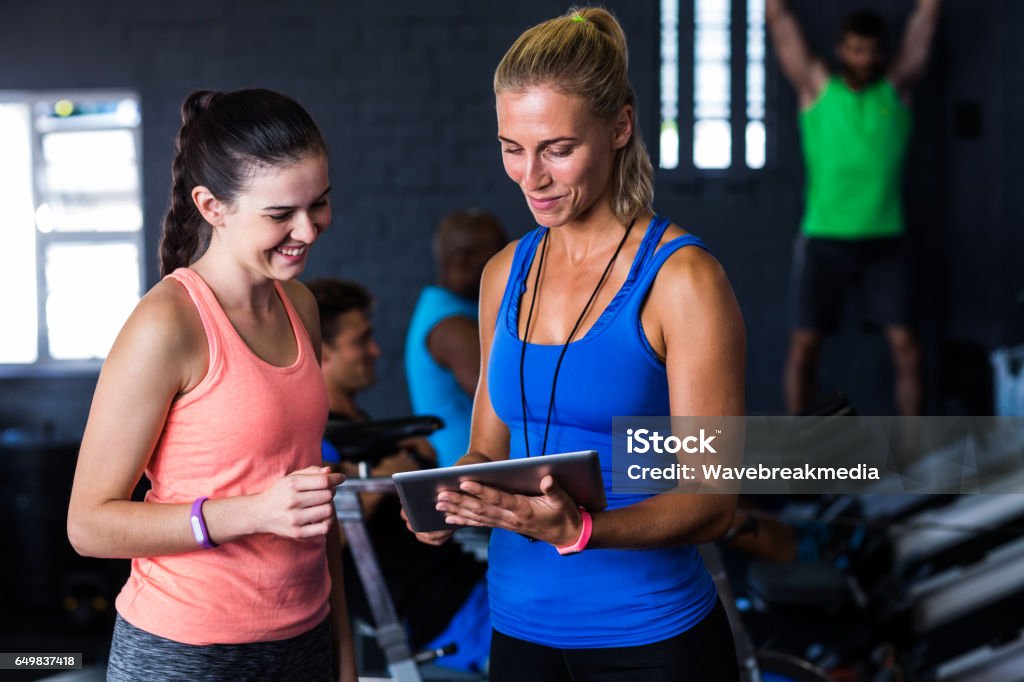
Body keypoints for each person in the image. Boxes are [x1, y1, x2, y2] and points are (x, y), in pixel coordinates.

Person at [407, 8, 745, 681]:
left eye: (558, 148)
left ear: (619, 126)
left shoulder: (682, 281)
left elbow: (716, 501)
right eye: (511, 147)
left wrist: (583, 531)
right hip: (520, 633)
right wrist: (449, 498)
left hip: (651, 640)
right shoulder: (505, 272)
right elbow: (486, 447)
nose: (530, 176)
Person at [66, 89, 357, 682]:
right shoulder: (167, 324)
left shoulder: (300, 305)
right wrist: (250, 513)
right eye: (280, 214)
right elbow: (89, 526)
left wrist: (341, 651)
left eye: (319, 203)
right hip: (186, 652)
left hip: (305, 637)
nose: (308, 229)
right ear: (212, 205)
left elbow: (307, 509)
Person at [767, 0, 942, 416]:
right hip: (823, 239)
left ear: (882, 52)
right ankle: (800, 455)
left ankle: (911, 464)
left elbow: (927, 18)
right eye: (856, 49)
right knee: (803, 349)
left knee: (908, 349)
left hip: (886, 242)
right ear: (842, 50)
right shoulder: (817, 91)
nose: (865, 58)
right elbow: (778, 18)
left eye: (872, 50)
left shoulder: (895, 89)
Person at [309, 278, 491, 674]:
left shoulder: (361, 431)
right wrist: (387, 478)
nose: (375, 351)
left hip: (473, 582)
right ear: (324, 353)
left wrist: (414, 469)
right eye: (362, 341)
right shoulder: (319, 441)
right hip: (446, 614)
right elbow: (313, 541)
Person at [405, 210, 507, 467]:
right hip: (469, 472)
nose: (509, 267)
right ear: (463, 262)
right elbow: (501, 399)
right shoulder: (453, 325)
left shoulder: (455, 309)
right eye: (498, 256)